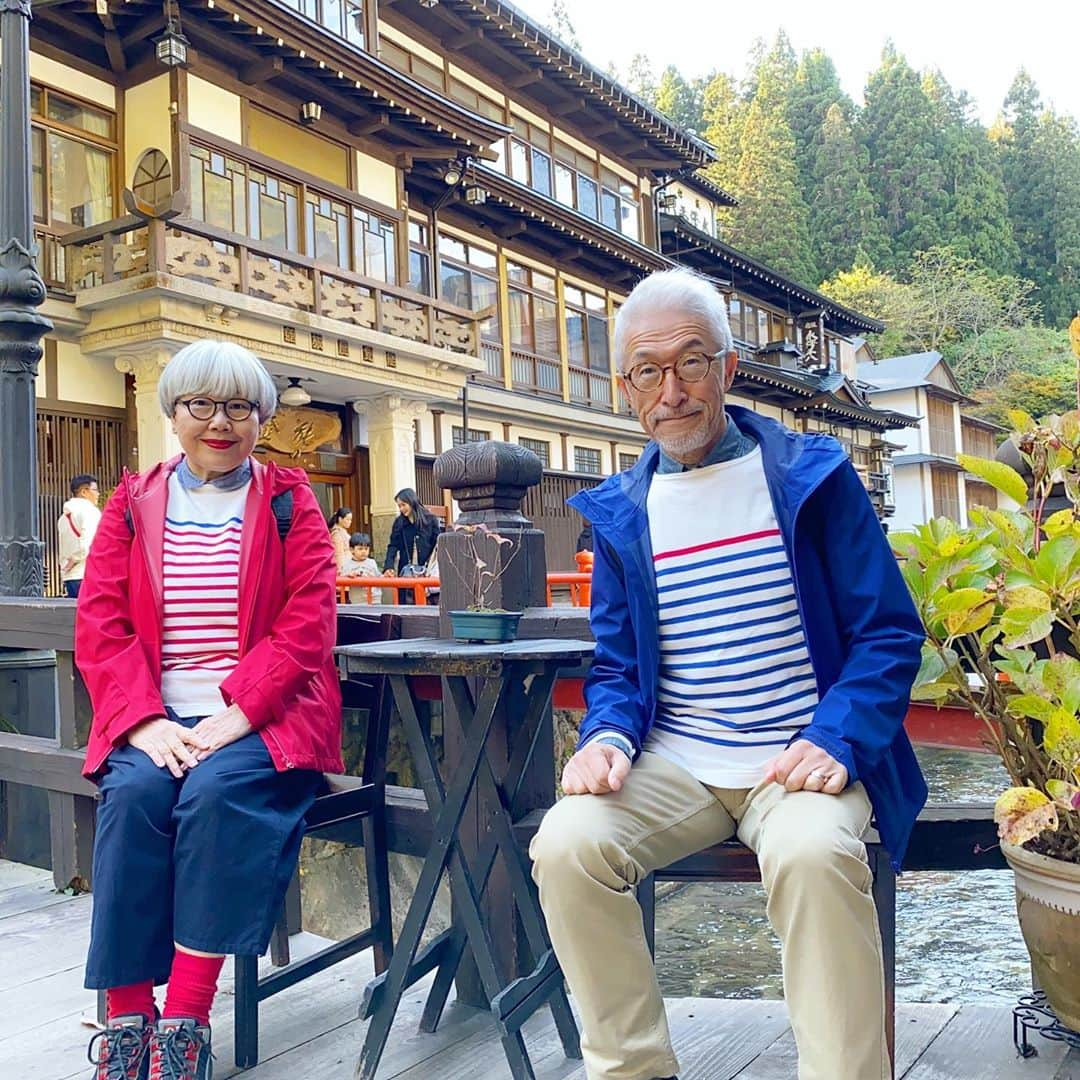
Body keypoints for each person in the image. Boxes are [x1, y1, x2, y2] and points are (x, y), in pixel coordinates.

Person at [529, 268, 927, 1080]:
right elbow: (617, 666)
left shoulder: (812, 478)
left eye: (691, 362)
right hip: (678, 761)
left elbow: (887, 634)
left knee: (816, 857)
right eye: (648, 370)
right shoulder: (621, 513)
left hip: (799, 761)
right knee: (567, 845)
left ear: (729, 368)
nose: (670, 391)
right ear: (624, 386)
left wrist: (836, 735)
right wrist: (605, 732)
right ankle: (634, 1069)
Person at [76, 340, 342, 1080]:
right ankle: (128, 1016)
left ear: (261, 419)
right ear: (174, 413)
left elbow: (308, 621)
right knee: (131, 796)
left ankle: (186, 1020)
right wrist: (143, 721)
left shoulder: (291, 502)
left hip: (265, 717)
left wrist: (240, 713)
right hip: (155, 717)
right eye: (200, 405)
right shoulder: (132, 503)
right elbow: (101, 623)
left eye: (238, 407)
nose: (218, 423)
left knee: (217, 795)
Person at [382, 487, 439, 604]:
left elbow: (437, 545)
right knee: (405, 604)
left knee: (426, 604)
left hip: (426, 571)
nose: (401, 509)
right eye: (399, 506)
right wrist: (389, 566)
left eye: (403, 505)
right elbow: (393, 545)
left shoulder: (431, 520)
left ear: (411, 501)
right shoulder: (399, 522)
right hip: (406, 571)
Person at [57, 473, 101, 598]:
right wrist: (75, 558)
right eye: (95, 490)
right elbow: (89, 543)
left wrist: (66, 566)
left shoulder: (63, 517)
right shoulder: (90, 511)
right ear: (84, 492)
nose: (98, 494)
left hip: (70, 577)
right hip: (86, 574)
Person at [341, 531, 380, 603]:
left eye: (366, 549)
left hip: (375, 598)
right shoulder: (347, 564)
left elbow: (379, 577)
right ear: (352, 549)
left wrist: (386, 575)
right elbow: (342, 579)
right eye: (360, 549)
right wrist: (349, 576)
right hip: (358, 600)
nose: (364, 551)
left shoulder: (372, 562)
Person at [328, 506, 353, 573]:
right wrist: (341, 570)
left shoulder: (342, 532)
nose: (350, 522)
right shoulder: (337, 534)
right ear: (340, 519)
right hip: (344, 566)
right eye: (347, 519)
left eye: (350, 520)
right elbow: (338, 554)